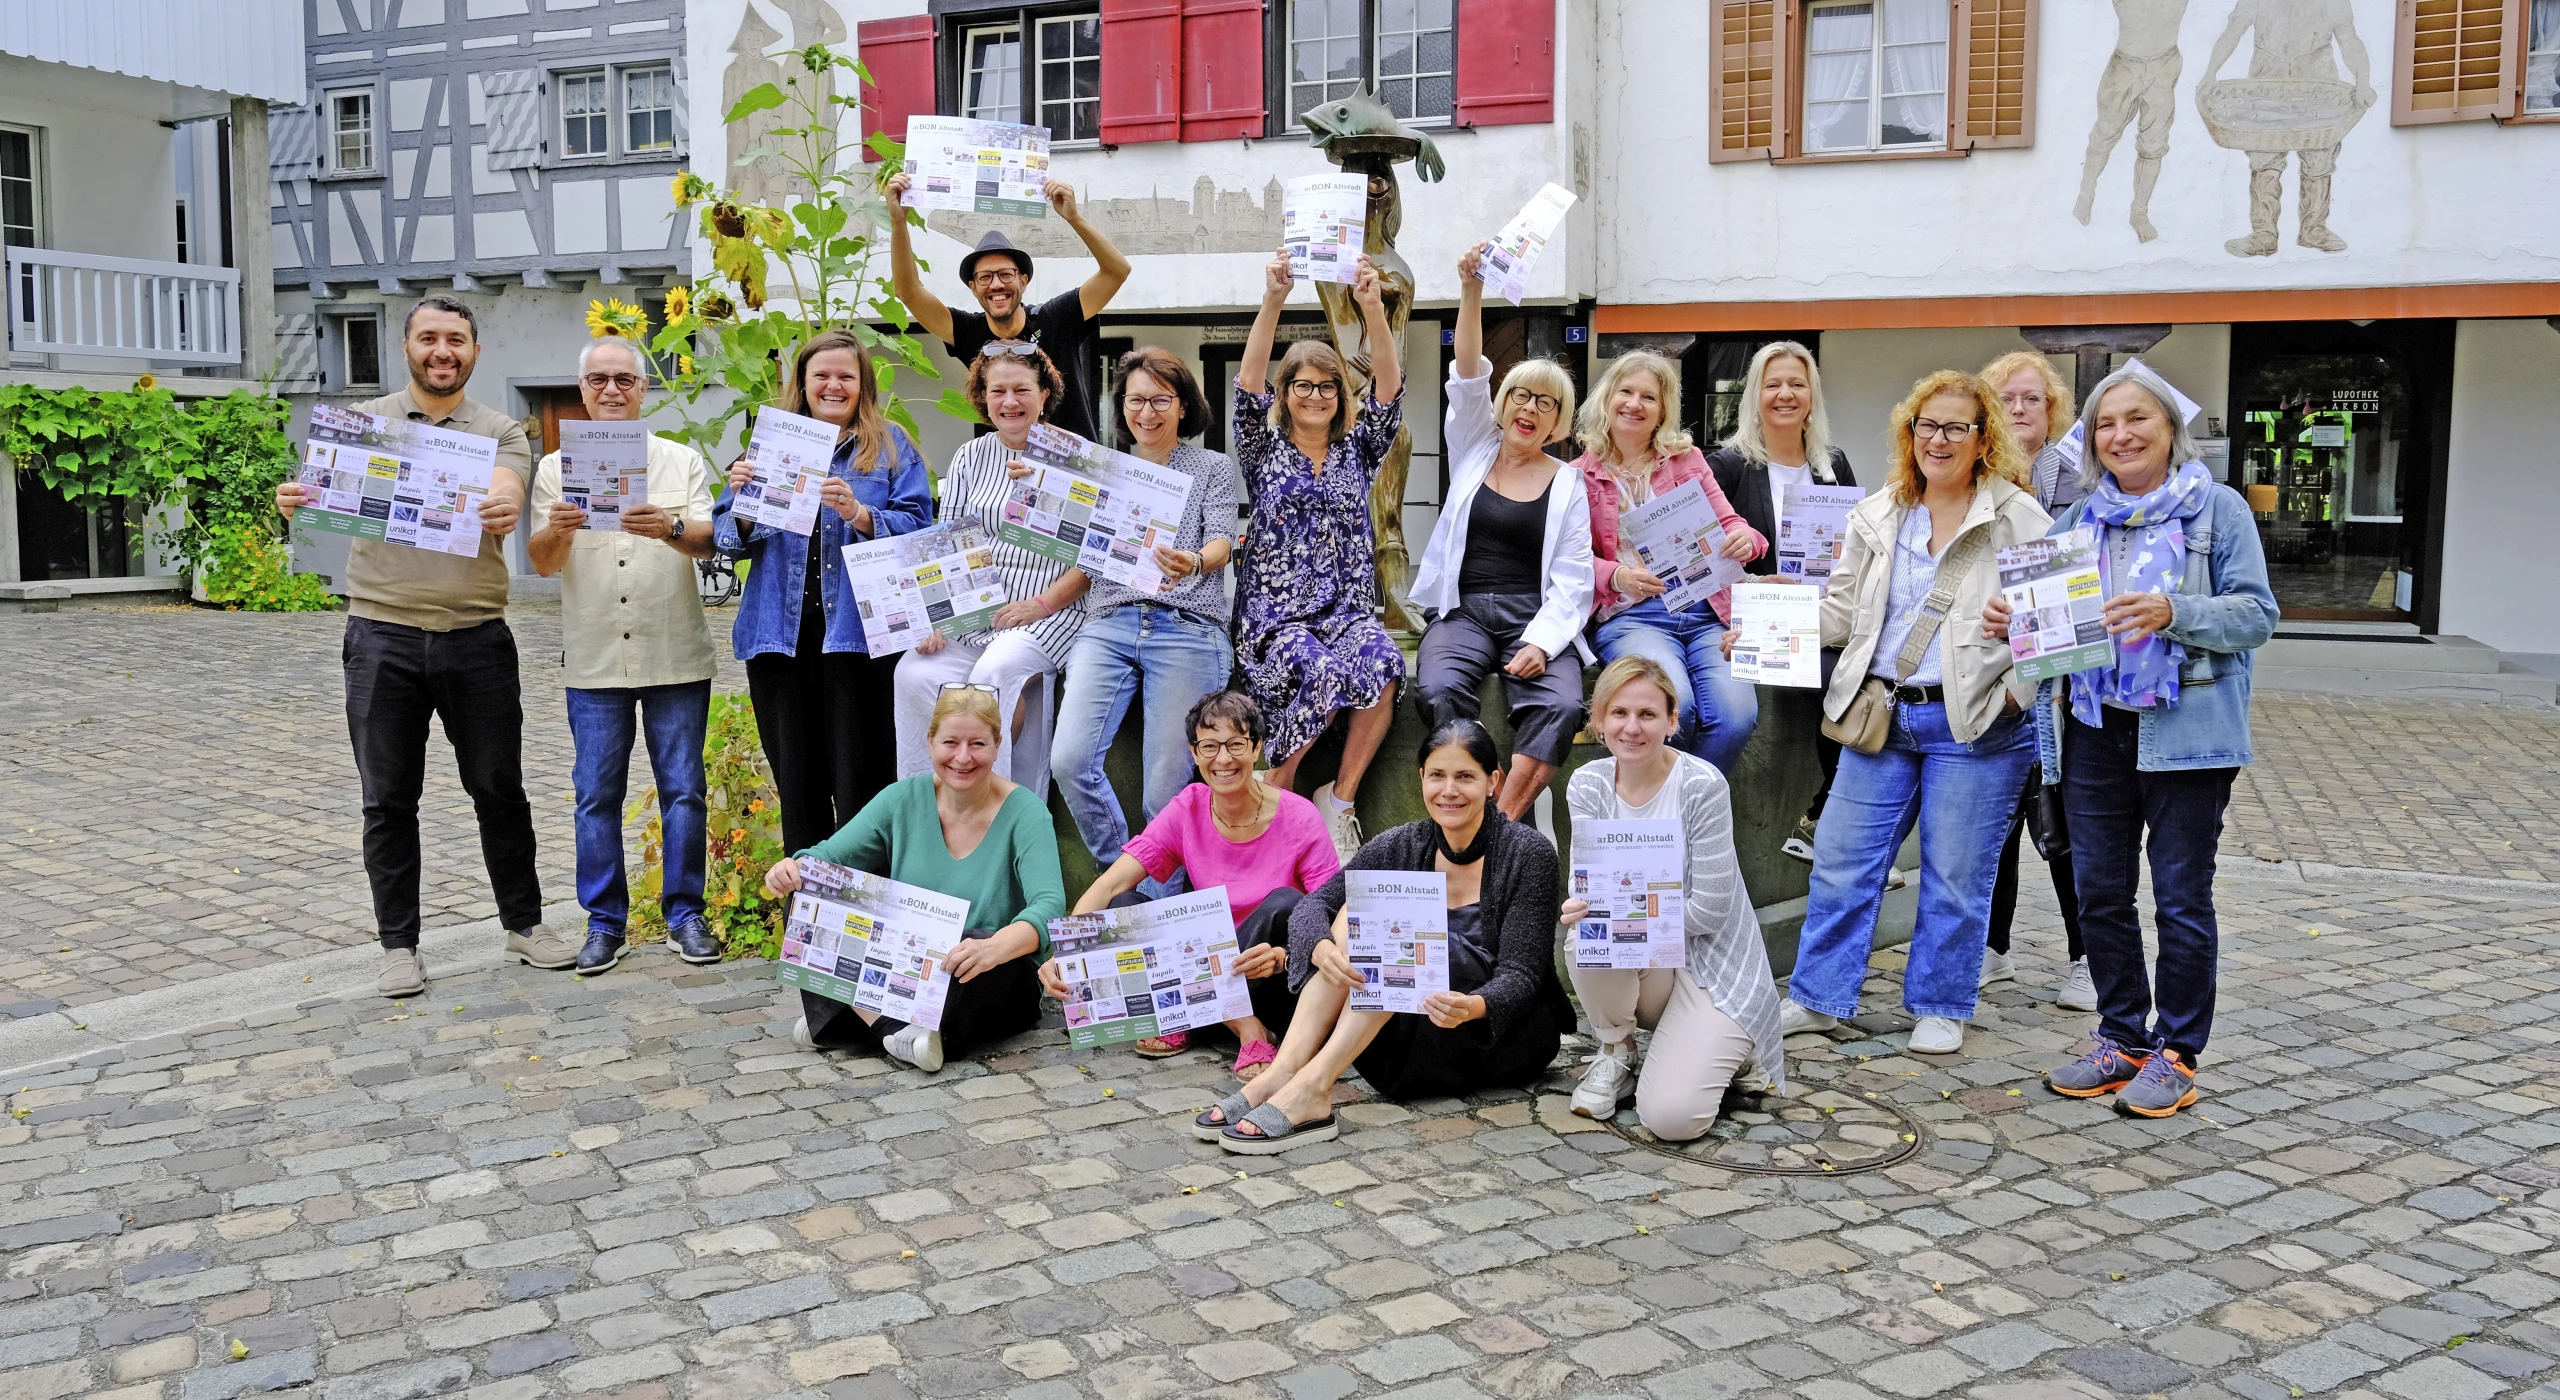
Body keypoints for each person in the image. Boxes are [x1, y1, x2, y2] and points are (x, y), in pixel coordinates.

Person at [274, 295, 571, 997]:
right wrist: (298, 504)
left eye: (458, 340)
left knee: (500, 789)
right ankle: (397, 945)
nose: (444, 351)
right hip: (382, 636)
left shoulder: (502, 431)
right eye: (431, 338)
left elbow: (506, 484)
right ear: (407, 346)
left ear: (474, 352)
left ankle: (524, 925)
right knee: (387, 798)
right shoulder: (363, 426)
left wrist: (501, 502)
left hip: (477, 638)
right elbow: (319, 504)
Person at [2009, 364, 2277, 1118]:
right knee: (2100, 893)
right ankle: (2122, 1036)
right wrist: (2018, 628)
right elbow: (2052, 639)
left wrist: (2174, 611)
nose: (2120, 435)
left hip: (2187, 731)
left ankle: (2179, 1051)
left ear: (2170, 430)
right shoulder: (2076, 522)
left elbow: (2257, 615)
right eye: (2104, 424)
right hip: (2095, 727)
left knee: (2182, 899)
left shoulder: (2215, 511)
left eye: (2137, 420)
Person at [1778, 371, 2050, 1057]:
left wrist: (2020, 687)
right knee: (1841, 863)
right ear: (1910, 432)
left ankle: (1940, 1003)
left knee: (1958, 875)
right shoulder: (1879, 513)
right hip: (1881, 716)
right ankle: (1818, 997)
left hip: (1978, 722)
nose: (1939, 439)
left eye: (1957, 427)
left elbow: (2061, 629)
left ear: (1984, 438)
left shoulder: (2021, 517)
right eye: (1927, 425)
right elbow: (1841, 613)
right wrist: (1771, 613)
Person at [1198, 721, 1574, 1153]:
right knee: (1353, 911)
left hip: (1488, 1032)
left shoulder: (1528, 853)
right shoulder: (1399, 844)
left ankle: (1315, 1086)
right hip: (1407, 1028)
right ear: (1421, 779)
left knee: (1397, 928)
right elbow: (1313, 905)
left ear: (1493, 782)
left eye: (1465, 776)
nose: (1448, 790)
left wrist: (1474, 1007)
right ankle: (1283, 1073)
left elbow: (1523, 974)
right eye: (1437, 775)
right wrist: (1320, 947)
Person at [526, 335, 723, 973]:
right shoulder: (556, 468)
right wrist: (557, 530)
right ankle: (604, 922)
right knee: (595, 794)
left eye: (624, 380)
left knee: (684, 791)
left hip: (674, 651)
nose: (611, 390)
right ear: (583, 390)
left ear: (643, 389)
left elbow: (708, 544)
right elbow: (541, 563)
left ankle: (685, 914)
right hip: (595, 657)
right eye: (598, 381)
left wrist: (665, 527)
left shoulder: (679, 459)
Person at [713, 331, 935, 855]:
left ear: (863, 386)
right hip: (779, 642)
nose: (833, 385)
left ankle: (864, 916)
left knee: (865, 787)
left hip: (860, 640)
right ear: (804, 383)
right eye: (822, 376)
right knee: (799, 789)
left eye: (846, 377)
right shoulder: (770, 445)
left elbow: (922, 529)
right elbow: (726, 536)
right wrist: (746, 503)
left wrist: (860, 515)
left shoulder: (890, 444)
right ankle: (808, 921)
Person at [765, 685, 1066, 1072]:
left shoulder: (1027, 812)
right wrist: (793, 868)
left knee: (970, 960)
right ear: (929, 741)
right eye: (950, 742)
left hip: (983, 966)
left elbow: (1049, 905)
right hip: (905, 961)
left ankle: (849, 1018)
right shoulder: (901, 799)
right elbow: (827, 859)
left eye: (977, 743)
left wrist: (995, 947)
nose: (962, 757)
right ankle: (892, 1029)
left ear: (997, 744)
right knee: (808, 892)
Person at [1041, 691, 1339, 1078]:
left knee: (1285, 903)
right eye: (1210, 746)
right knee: (1127, 903)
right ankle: (1244, 1027)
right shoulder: (1189, 807)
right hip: (1200, 965)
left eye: (1236, 744)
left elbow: (1331, 911)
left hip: (1266, 976)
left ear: (1257, 749)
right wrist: (1066, 952)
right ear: (1195, 754)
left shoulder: (1299, 816)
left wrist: (1285, 955)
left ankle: (1190, 1015)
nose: (1223, 759)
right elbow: (1112, 882)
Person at [1407, 242, 1595, 821]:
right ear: (1504, 403)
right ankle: (1466, 792)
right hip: (1462, 609)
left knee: (1563, 703)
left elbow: (1574, 576)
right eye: (1521, 394)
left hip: (1531, 612)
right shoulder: (1473, 447)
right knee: (1437, 691)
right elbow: (1466, 375)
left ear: (1559, 419)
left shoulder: (1568, 483)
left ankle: (1499, 826)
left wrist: (1541, 642)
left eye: (1546, 401)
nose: (1530, 407)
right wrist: (1470, 290)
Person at [1563, 658, 1788, 1137]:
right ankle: (1617, 1051)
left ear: (1671, 721)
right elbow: (1589, 885)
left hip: (1709, 964)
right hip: (1647, 964)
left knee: (1672, 1119)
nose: (1631, 727)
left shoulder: (1702, 786)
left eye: (1647, 714)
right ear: (1598, 721)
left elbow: (1709, 910)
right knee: (1585, 934)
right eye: (1618, 713)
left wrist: (1620, 916)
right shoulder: (1588, 784)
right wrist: (1583, 907)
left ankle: (1728, 1046)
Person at [1231, 246, 1407, 860]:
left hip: (1349, 612)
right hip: (1278, 618)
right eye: (1302, 386)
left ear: (1339, 393)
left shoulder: (1358, 451)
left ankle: (1341, 800)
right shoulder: (1263, 450)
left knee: (1382, 662)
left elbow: (1389, 386)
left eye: (1326, 386)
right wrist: (1274, 298)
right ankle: (1276, 787)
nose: (1315, 396)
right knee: (1325, 672)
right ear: (1287, 393)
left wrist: (1372, 310)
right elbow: (1246, 383)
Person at [1051, 349, 1240, 894]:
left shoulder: (1210, 468)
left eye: (1161, 400)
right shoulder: (1104, 470)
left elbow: (1223, 538)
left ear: (1183, 407)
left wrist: (1197, 561)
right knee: (1069, 760)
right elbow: (1082, 552)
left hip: (1187, 625)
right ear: (1122, 407)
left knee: (1164, 792)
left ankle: (1153, 912)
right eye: (1137, 400)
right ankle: (1135, 884)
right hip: (1108, 623)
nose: (1148, 412)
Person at [893, 344, 1091, 798]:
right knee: (913, 673)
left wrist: (1039, 604)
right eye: (997, 390)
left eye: (1022, 389)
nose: (1009, 401)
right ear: (983, 397)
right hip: (977, 610)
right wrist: (937, 616)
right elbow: (950, 543)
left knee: (994, 673)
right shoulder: (969, 456)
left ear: (1044, 394)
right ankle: (926, 809)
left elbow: (1094, 560)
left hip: (1049, 611)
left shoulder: (1076, 456)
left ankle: (997, 815)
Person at [1577, 349, 1766, 777]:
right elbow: (1567, 560)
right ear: (1607, 398)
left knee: (1736, 718)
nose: (1634, 404)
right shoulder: (1577, 475)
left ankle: (1685, 813)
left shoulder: (1687, 460)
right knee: (1671, 709)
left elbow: (1733, 523)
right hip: (1634, 618)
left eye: (1649, 397)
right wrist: (1616, 574)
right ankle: (1668, 824)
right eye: (1625, 391)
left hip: (1709, 611)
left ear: (1663, 410)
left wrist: (1746, 539)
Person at [1708, 342, 1860, 864]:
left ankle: (1826, 819)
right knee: (1840, 681)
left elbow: (1856, 547)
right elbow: (1709, 560)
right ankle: (1830, 826)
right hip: (1762, 622)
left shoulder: (1832, 464)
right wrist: (1752, 590)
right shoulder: (1727, 466)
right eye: (1773, 384)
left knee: (1868, 678)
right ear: (1755, 395)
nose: (1785, 394)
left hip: (1828, 615)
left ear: (1812, 395)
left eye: (1797, 383)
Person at [1977, 350, 2092, 1008]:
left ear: (2053, 412)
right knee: (1991, 818)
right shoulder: (1974, 477)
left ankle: (2088, 956)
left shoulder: (2080, 481)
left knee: (2064, 818)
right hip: (1986, 672)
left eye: (2031, 399)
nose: (2019, 410)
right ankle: (1992, 950)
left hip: (2058, 679)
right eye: (2006, 399)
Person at [885, 174, 1130, 440]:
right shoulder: (968, 332)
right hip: (1005, 466)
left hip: (1072, 465)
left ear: (1023, 281)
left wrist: (1074, 218)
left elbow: (1116, 271)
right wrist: (898, 221)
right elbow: (908, 292)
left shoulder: (1057, 318)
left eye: (1006, 274)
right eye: (985, 277)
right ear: (973, 287)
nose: (996, 285)